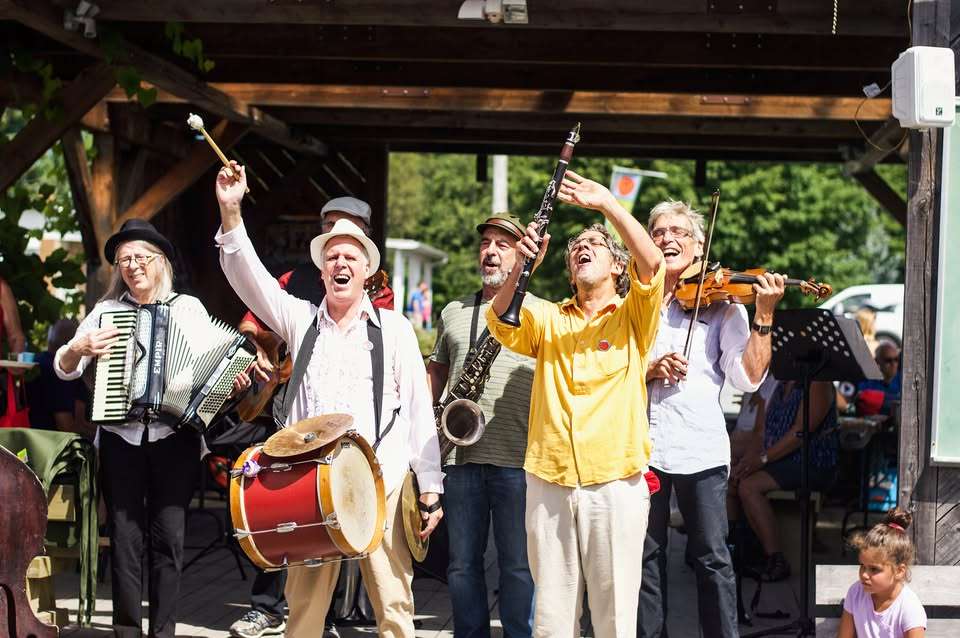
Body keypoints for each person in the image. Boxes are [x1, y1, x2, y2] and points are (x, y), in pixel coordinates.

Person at [215, 161, 443, 638]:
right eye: (332, 257)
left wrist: (430, 486)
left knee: (394, 609)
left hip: (382, 482)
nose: (341, 264)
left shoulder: (395, 329)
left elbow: (419, 411)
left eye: (351, 257)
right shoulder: (299, 320)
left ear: (367, 271)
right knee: (304, 613)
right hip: (310, 484)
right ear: (321, 271)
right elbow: (246, 275)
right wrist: (231, 211)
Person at [485, 171, 664, 637]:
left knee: (615, 619)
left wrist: (607, 205)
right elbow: (501, 319)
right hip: (550, 481)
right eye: (576, 248)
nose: (583, 247)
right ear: (569, 273)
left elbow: (653, 263)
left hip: (615, 482)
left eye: (595, 244)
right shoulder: (548, 317)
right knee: (551, 620)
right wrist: (523, 266)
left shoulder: (634, 315)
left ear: (618, 267)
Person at [227, 197, 394, 638]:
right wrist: (262, 350)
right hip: (302, 443)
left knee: (385, 591)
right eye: (328, 229)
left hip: (362, 453)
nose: (337, 247)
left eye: (347, 233)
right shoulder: (296, 293)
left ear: (367, 256)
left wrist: (425, 479)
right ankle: (268, 609)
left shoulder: (385, 309)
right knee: (285, 535)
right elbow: (251, 302)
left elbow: (399, 387)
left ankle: (336, 615)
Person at [639, 200, 786, 638]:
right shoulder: (636, 300)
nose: (667, 239)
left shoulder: (724, 306)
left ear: (699, 246)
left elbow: (749, 378)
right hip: (641, 447)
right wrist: (649, 369)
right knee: (645, 558)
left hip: (699, 448)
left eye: (679, 232)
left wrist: (764, 315)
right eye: (659, 232)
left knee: (712, 558)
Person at [54, 219, 201, 638]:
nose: (133, 266)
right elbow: (63, 368)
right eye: (124, 260)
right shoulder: (106, 312)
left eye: (140, 257)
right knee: (124, 539)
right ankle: (126, 633)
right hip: (121, 438)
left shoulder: (189, 309)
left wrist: (229, 381)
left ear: (161, 261)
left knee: (169, 540)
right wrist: (77, 347)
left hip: (175, 439)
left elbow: (212, 369)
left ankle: (164, 632)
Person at [426, 213, 536, 638]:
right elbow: (437, 372)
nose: (490, 251)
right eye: (486, 243)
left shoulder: (540, 313)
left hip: (517, 460)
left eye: (502, 245)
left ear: (522, 255)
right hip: (460, 460)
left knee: (519, 566)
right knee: (461, 565)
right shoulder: (454, 311)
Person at [731, 378, 838, 582]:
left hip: (812, 462)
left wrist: (762, 459)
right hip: (781, 460)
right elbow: (760, 433)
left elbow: (800, 432)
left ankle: (776, 559)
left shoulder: (817, 383)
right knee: (734, 478)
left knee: (749, 487)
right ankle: (738, 549)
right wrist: (746, 463)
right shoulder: (780, 385)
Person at [839, 509, 927, 638]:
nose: (864, 575)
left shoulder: (909, 608)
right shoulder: (856, 593)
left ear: (899, 571)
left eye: (874, 569)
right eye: (862, 566)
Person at [27, 319, 94, 438]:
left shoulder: (35, 362)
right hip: (51, 443)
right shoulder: (64, 372)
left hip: (26, 437)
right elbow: (67, 426)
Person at [856, 340, 902, 416]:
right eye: (888, 360)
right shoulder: (867, 381)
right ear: (877, 361)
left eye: (896, 359)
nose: (893, 364)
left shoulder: (904, 382)